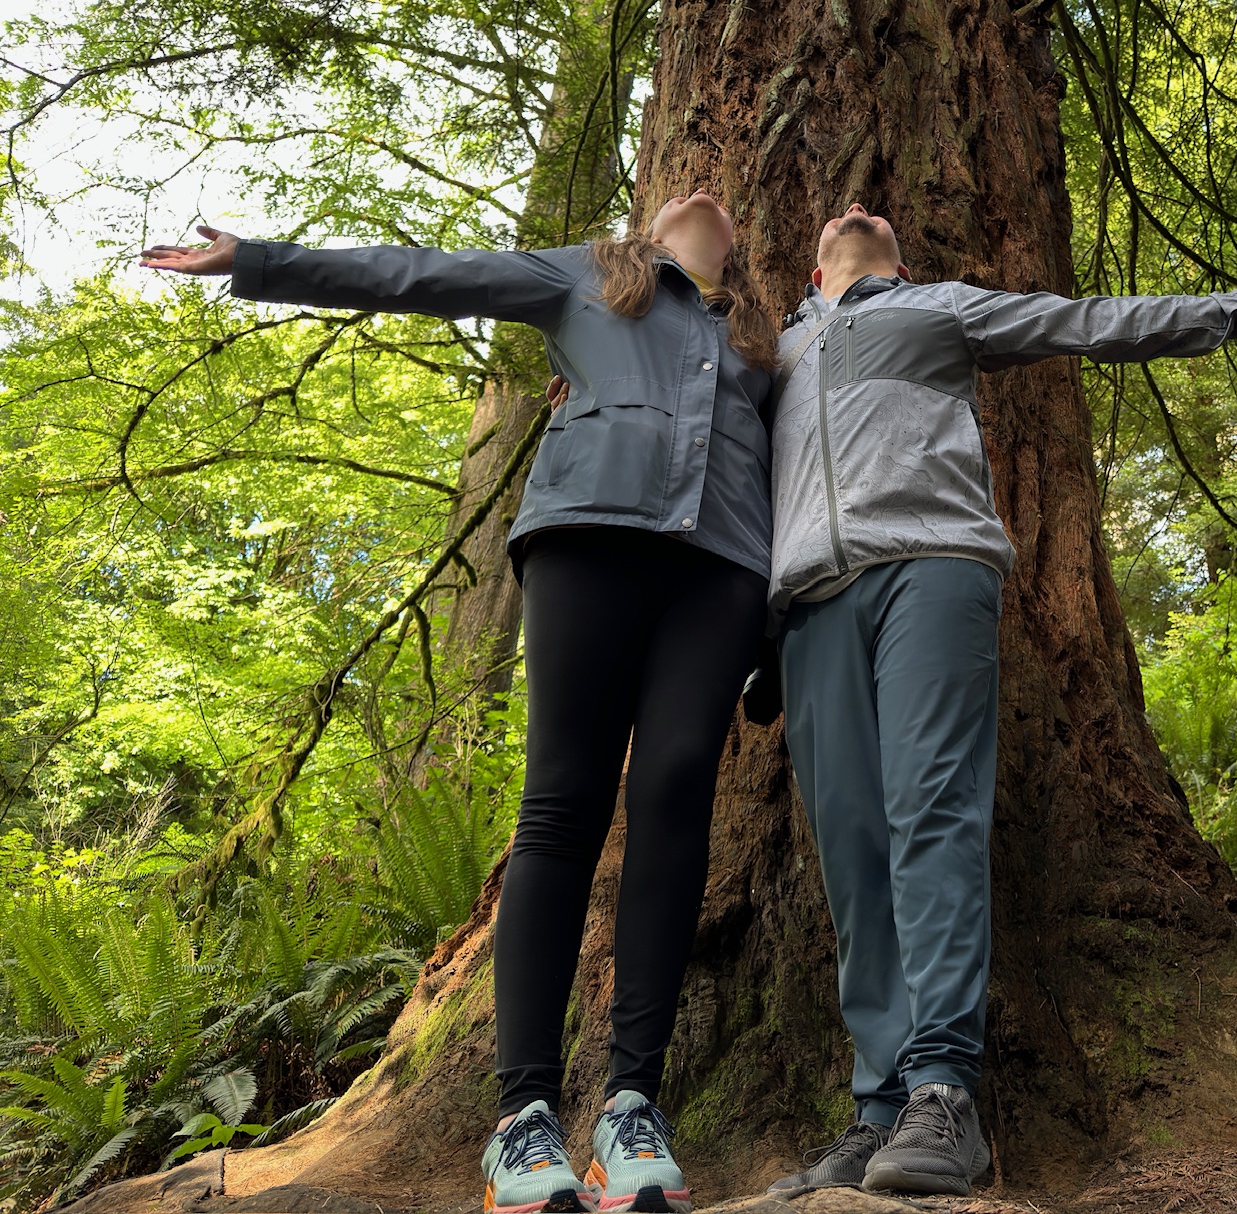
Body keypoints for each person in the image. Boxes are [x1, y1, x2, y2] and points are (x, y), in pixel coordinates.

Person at [142, 194, 779, 1214]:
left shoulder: (756, 337)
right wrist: (257, 259)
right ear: (647, 221)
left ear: (737, 246)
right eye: (676, 190)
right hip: (587, 534)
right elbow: (425, 272)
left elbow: (794, 472)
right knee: (562, 806)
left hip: (723, 574)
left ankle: (630, 1114)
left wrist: (778, 634)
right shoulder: (583, 271)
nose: (704, 190)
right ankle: (523, 1122)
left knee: (674, 801)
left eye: (720, 202)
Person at [760, 204, 1237, 1196]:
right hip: (809, 606)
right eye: (835, 222)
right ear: (810, 273)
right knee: (850, 851)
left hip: (930, 568)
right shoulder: (774, 356)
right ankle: (877, 1108)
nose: (855, 208)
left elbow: (1079, 321)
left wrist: (1226, 308)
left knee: (929, 817)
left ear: (897, 256)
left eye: (875, 220)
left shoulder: (937, 307)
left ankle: (944, 1095)